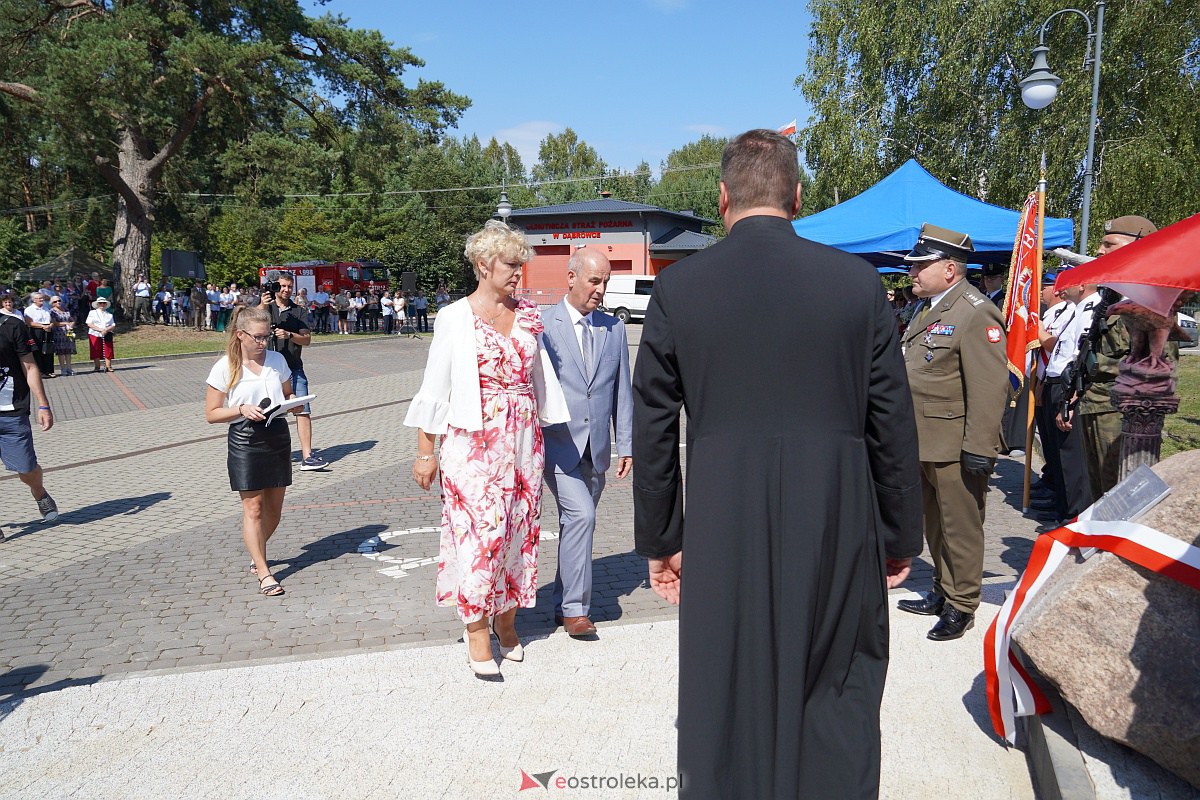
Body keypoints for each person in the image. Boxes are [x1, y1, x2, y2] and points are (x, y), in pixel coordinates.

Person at [631, 130, 922, 797]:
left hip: (725, 519)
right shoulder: (858, 285)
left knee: (726, 685)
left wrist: (663, 539)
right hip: (837, 516)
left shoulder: (681, 290)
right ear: (797, 196)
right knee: (837, 684)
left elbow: (651, 425)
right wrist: (900, 533)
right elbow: (892, 422)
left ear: (724, 196)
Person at [404, 219, 569, 678]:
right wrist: (425, 451)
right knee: (478, 537)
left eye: (522, 265)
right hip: (472, 445)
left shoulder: (530, 316)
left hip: (522, 443)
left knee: (519, 532)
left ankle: (507, 620)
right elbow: (434, 387)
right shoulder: (454, 317)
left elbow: (542, 383)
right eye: (511, 264)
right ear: (482, 264)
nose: (520, 273)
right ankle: (476, 630)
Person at [898, 223, 1008, 641]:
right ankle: (943, 590)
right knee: (934, 524)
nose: (912, 273)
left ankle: (963, 603)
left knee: (960, 526)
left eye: (920, 266)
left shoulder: (976, 311)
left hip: (956, 445)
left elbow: (988, 385)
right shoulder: (929, 308)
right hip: (925, 441)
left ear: (948, 269)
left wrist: (979, 446)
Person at [539, 247, 633, 638]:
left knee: (575, 525)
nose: (601, 289)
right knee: (582, 517)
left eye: (606, 282)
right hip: (558, 446)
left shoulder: (614, 330)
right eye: (595, 280)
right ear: (572, 277)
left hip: (595, 450)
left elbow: (621, 392)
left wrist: (624, 443)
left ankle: (563, 601)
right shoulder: (542, 325)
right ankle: (577, 610)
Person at [204, 306, 297, 597]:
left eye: (266, 337)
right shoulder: (225, 366)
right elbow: (211, 413)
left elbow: (288, 393)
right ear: (241, 335)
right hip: (245, 438)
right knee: (253, 508)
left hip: (277, 434)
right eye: (257, 337)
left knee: (274, 511)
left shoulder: (277, 360)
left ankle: (256, 552)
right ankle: (264, 570)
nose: (263, 343)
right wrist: (240, 409)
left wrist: (293, 402)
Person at [1075, 216, 1157, 498]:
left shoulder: (1150, 300)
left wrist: (1099, 365)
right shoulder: (1113, 295)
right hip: (1096, 405)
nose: (1099, 250)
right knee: (1099, 493)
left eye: (1109, 244)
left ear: (1137, 248)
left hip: (1122, 415)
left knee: (1120, 495)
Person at [0, 301, 58, 537]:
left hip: (11, 410)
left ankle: (39, 491)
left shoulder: (11, 326)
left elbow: (30, 367)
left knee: (27, 469)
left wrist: (43, 404)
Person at [263, 275, 328, 472]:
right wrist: (261, 305)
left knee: (303, 410)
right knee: (268, 413)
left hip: (293, 367)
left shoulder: (299, 310)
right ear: (275, 287)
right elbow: (250, 326)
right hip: (268, 370)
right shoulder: (266, 308)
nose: (286, 289)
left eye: (289, 286)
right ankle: (267, 455)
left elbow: (307, 339)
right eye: (282, 286)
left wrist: (290, 335)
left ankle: (307, 456)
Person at [23, 292, 56, 379]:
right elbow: (29, 322)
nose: (42, 300)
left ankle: (49, 370)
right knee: (38, 351)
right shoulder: (29, 310)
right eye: (39, 298)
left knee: (48, 350)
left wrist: (50, 325)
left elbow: (51, 320)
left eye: (42, 298)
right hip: (36, 331)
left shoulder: (46, 308)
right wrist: (42, 326)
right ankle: (40, 371)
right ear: (34, 300)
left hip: (47, 330)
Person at [86, 296, 116, 373]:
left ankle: (108, 366)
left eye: (104, 303)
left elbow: (113, 325)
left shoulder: (109, 314)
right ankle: (97, 366)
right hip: (95, 333)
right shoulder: (92, 312)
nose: (102, 304)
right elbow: (89, 323)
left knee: (108, 349)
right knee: (95, 349)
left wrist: (106, 330)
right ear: (97, 304)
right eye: (100, 303)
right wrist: (100, 330)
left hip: (107, 333)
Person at [48, 296, 76, 376]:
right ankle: (63, 368)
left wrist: (71, 325)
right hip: (59, 333)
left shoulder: (66, 310)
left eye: (59, 300)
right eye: (55, 301)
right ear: (52, 304)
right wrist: (66, 323)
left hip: (69, 332)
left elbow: (72, 319)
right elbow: (55, 323)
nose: (58, 302)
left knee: (68, 350)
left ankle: (69, 368)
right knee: (61, 351)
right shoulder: (52, 312)